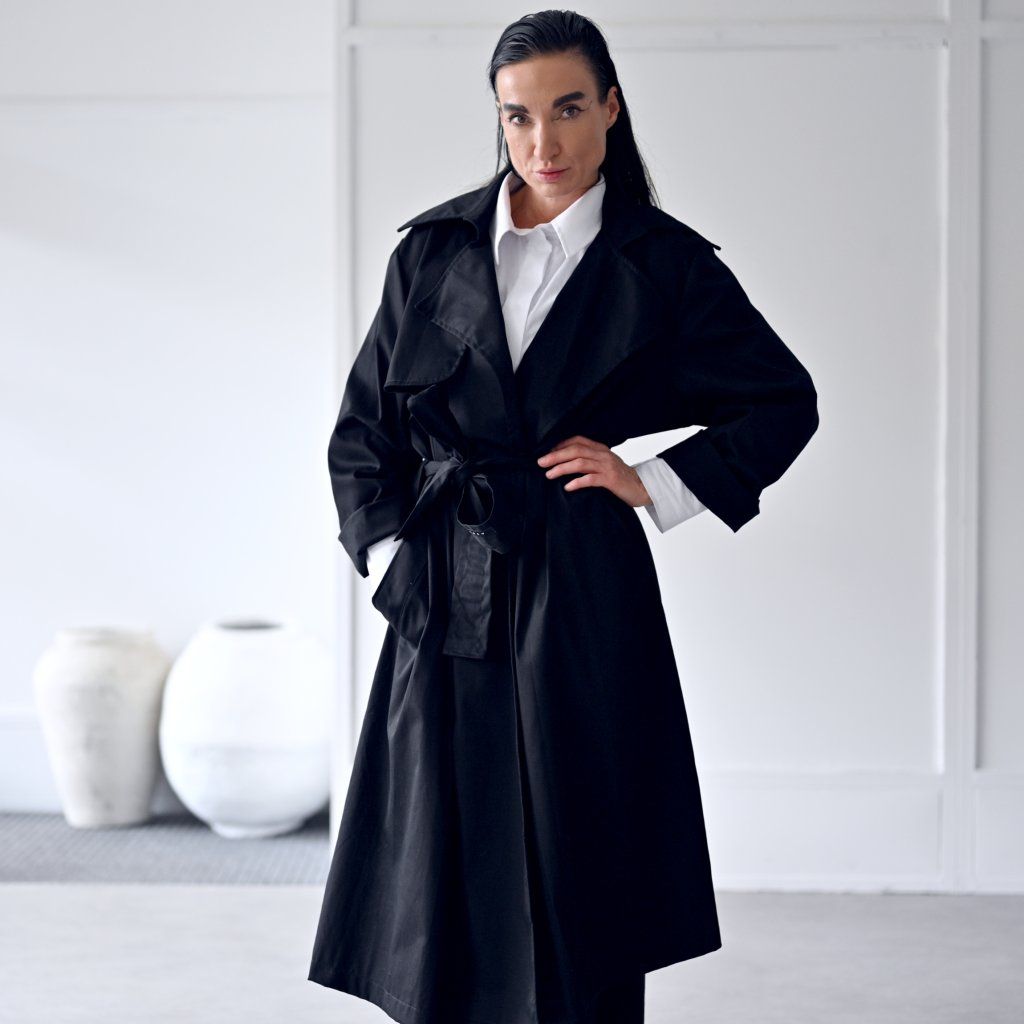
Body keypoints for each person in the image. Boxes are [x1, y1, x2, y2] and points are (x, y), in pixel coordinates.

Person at [309, 10, 819, 1024]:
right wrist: (399, 558)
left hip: (580, 577)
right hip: (444, 580)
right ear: (498, 120)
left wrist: (650, 480)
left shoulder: (664, 264)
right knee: (440, 849)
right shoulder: (436, 251)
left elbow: (781, 399)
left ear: (612, 109)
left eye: (569, 109)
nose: (543, 142)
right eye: (519, 116)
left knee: (582, 845)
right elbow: (363, 430)